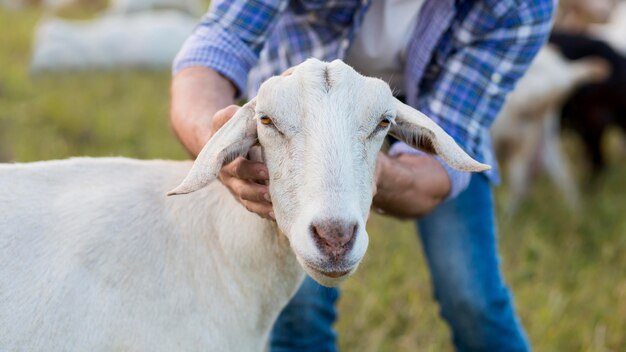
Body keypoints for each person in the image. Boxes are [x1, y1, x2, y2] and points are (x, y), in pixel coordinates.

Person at [169, 0, 554, 350]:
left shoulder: (520, 6)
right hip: (293, 120)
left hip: (422, 116)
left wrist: (368, 167)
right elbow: (221, 40)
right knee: (300, 304)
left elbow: (440, 165)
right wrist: (216, 144)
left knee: (473, 295)